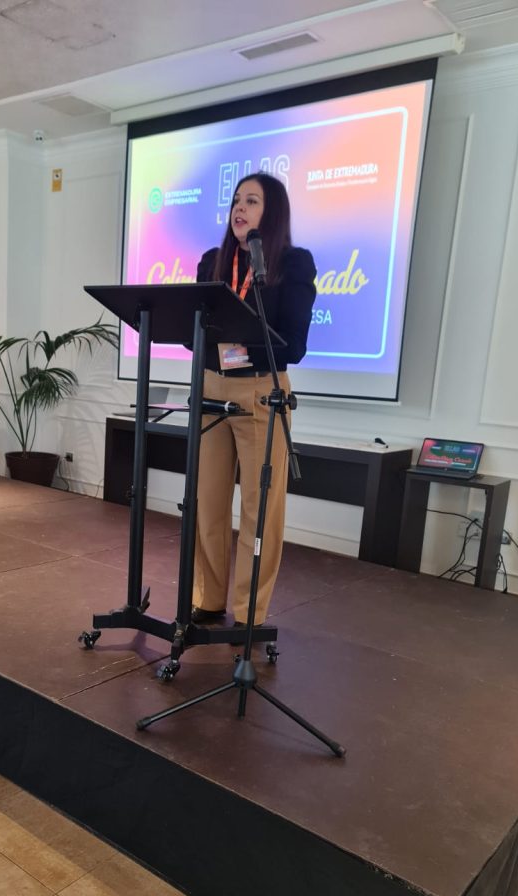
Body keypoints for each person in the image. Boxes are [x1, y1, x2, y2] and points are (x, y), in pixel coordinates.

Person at [189, 172, 316, 628]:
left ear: (272, 212)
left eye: (252, 201)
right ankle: (208, 598)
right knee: (207, 500)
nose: (239, 208)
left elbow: (293, 345)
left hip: (262, 390)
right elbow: (194, 330)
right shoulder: (213, 262)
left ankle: (249, 612)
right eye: (236, 200)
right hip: (211, 385)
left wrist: (240, 349)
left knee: (259, 508)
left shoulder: (293, 264)